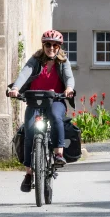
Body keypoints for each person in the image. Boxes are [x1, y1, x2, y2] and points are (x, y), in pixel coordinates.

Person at [8, 29, 75, 193]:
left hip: (55, 100)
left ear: (59, 47)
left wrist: (69, 88)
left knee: (55, 117)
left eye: (55, 45)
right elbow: (25, 72)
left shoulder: (63, 61)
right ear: (43, 45)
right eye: (48, 44)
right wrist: (16, 87)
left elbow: (69, 76)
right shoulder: (36, 59)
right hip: (34, 100)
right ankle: (29, 173)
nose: (51, 48)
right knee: (29, 132)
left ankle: (58, 154)